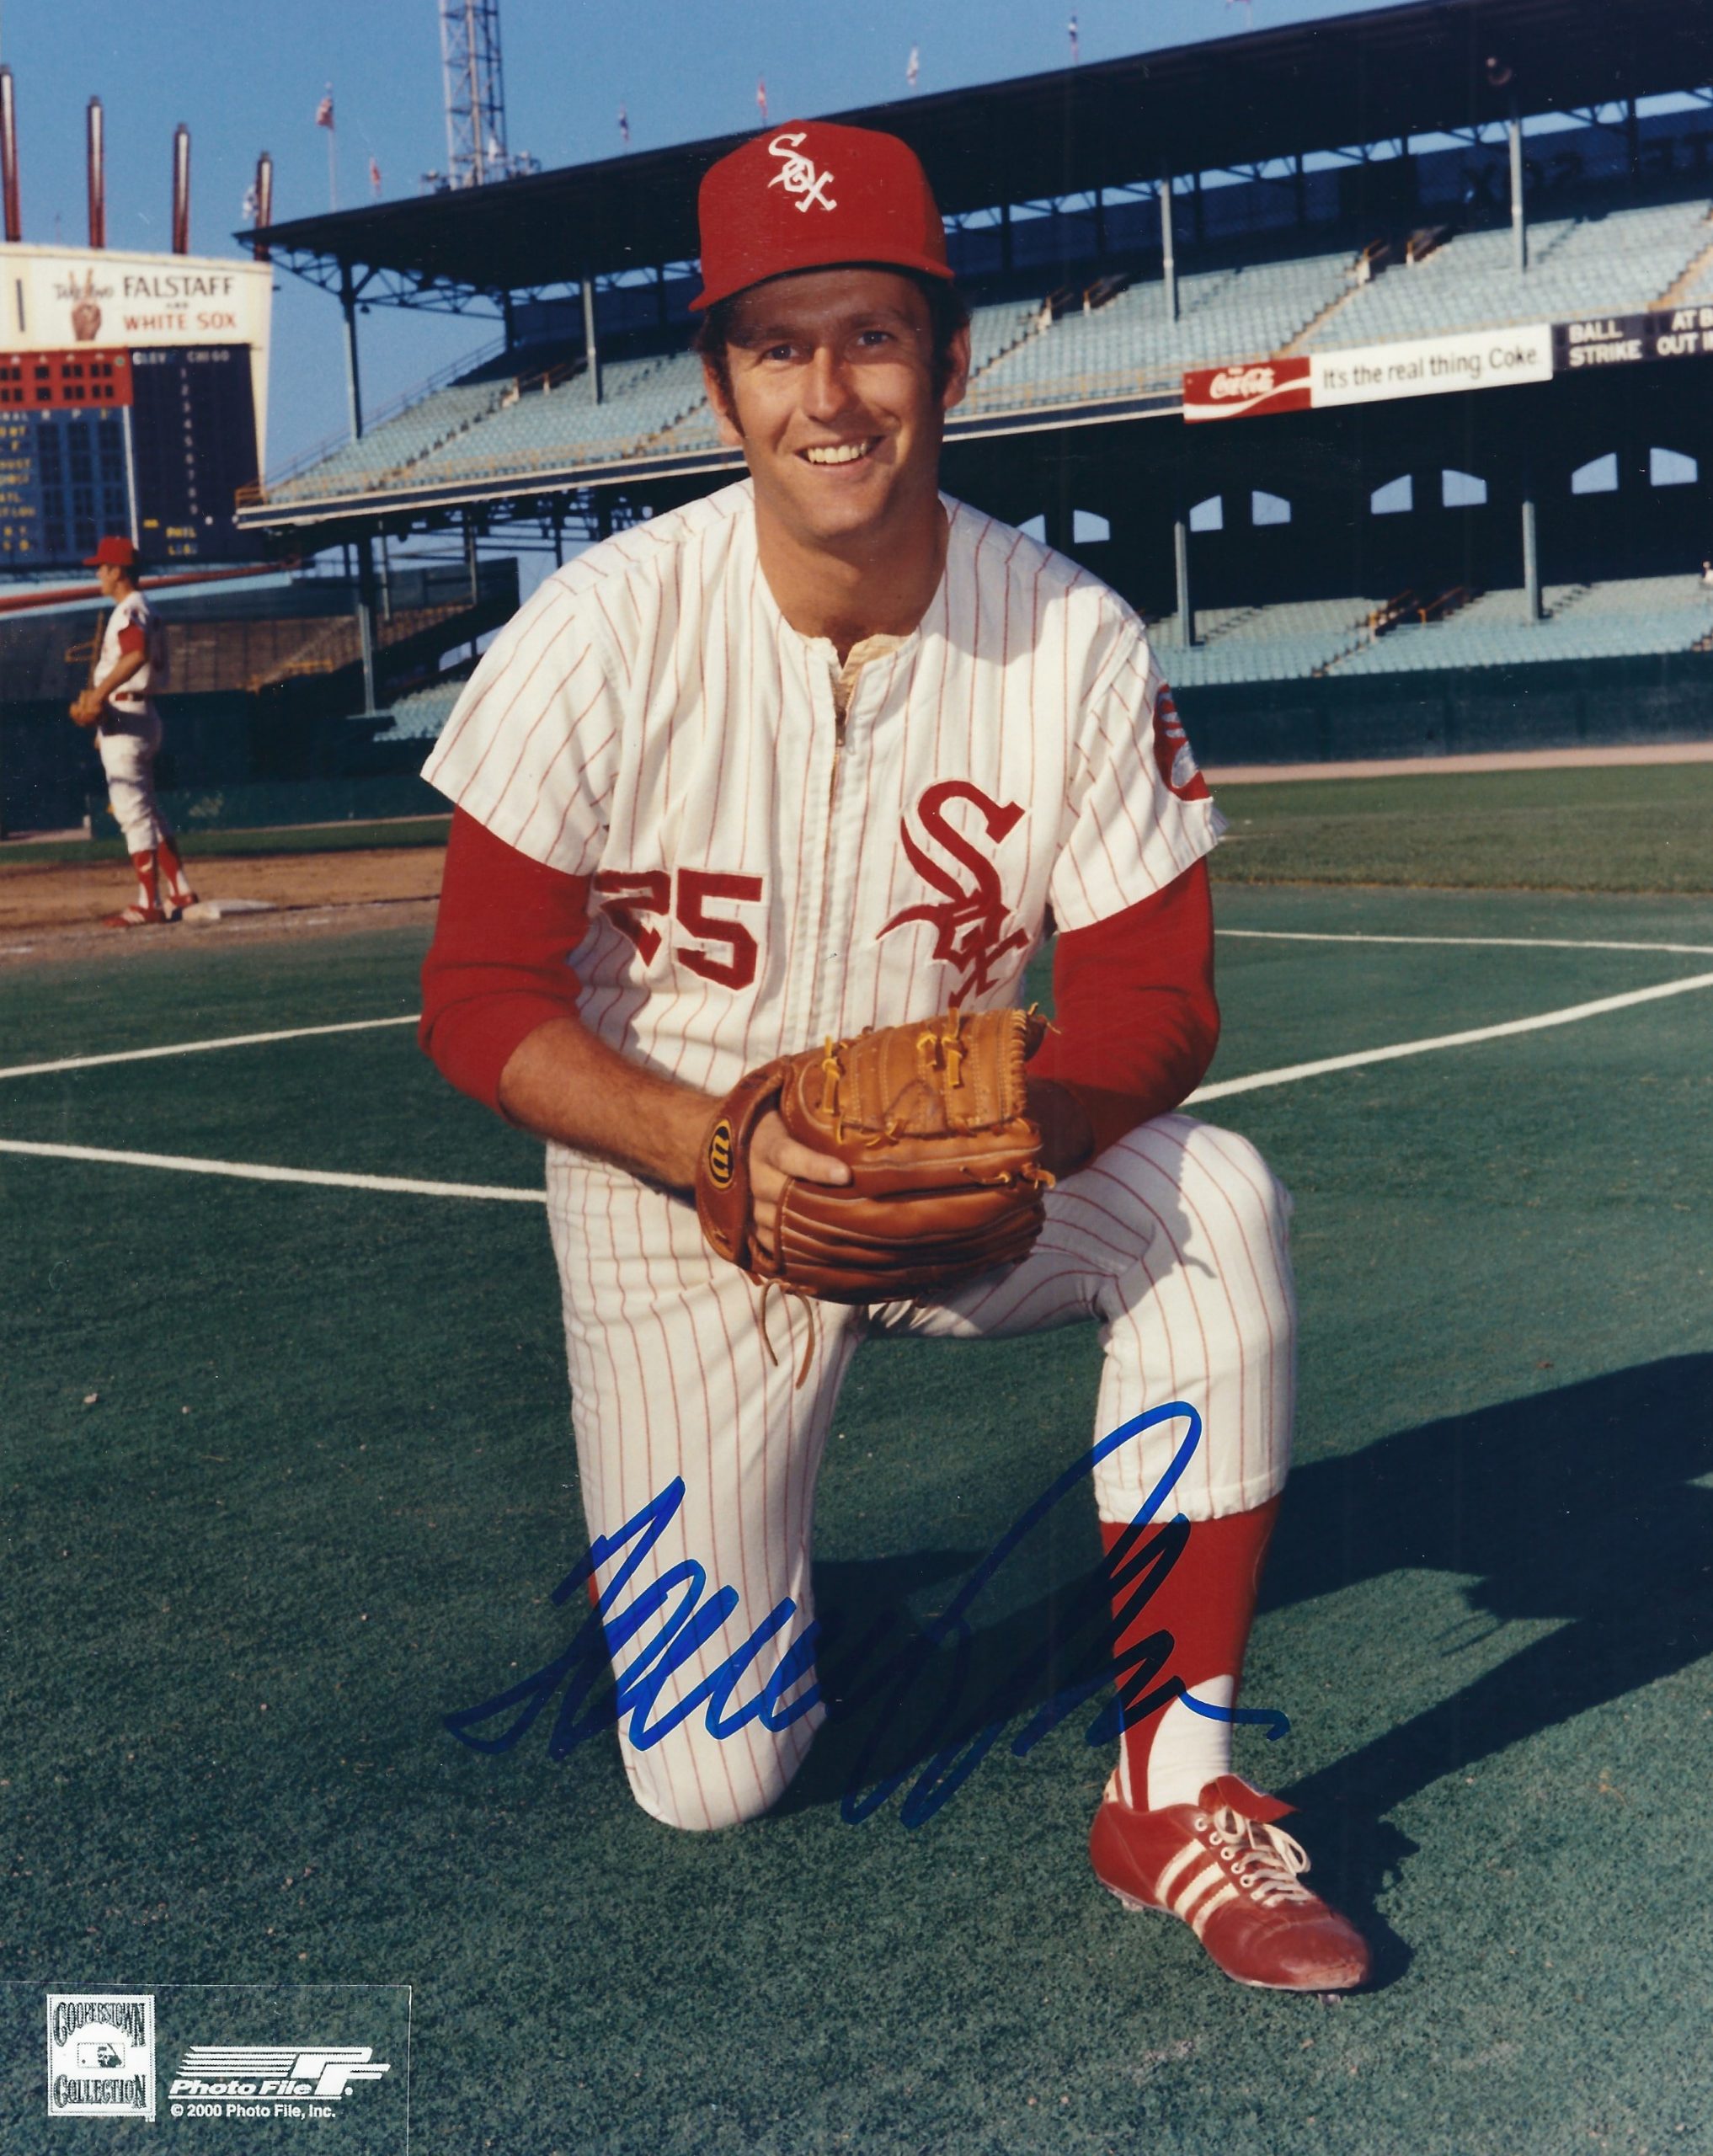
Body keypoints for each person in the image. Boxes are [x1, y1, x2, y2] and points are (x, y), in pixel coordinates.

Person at [418, 120, 1369, 1993]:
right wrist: (706, 1146)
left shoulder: (1070, 638)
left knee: (1215, 1197)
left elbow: (1159, 994)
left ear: (950, 358)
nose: (829, 392)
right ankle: (730, 1573)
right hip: (666, 1194)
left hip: (960, 1176)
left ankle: (1176, 1792)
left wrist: (1029, 1137)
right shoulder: (597, 634)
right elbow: (477, 994)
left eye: (871, 334)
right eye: (779, 343)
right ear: (719, 382)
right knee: (714, 1774)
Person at [69, 536, 197, 927]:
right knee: (149, 810)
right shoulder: (144, 607)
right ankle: (180, 890)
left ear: (118, 571)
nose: (97, 574)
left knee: (132, 812)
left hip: (127, 712)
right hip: (135, 714)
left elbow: (136, 651)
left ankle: (149, 903)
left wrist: (98, 696)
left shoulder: (129, 608)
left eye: (102, 567)